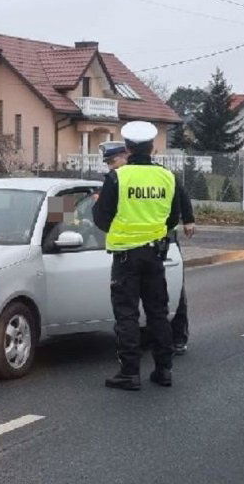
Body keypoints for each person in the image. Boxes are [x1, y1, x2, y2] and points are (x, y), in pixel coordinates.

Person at [93, 123, 181, 391]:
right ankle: (163, 370)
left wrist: (123, 229)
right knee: (158, 313)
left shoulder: (118, 177)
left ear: (128, 148)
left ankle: (130, 373)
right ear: (153, 147)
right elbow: (173, 217)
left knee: (127, 314)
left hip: (125, 256)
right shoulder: (167, 177)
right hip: (155, 254)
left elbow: (101, 218)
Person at [100, 141, 196, 356]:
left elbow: (179, 193)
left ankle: (175, 338)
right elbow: (70, 211)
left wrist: (187, 219)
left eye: (112, 161)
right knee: (154, 309)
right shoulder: (116, 179)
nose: (110, 167)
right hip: (149, 248)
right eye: (107, 163)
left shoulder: (147, 176)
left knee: (148, 308)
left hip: (151, 247)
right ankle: (162, 366)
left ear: (127, 154)